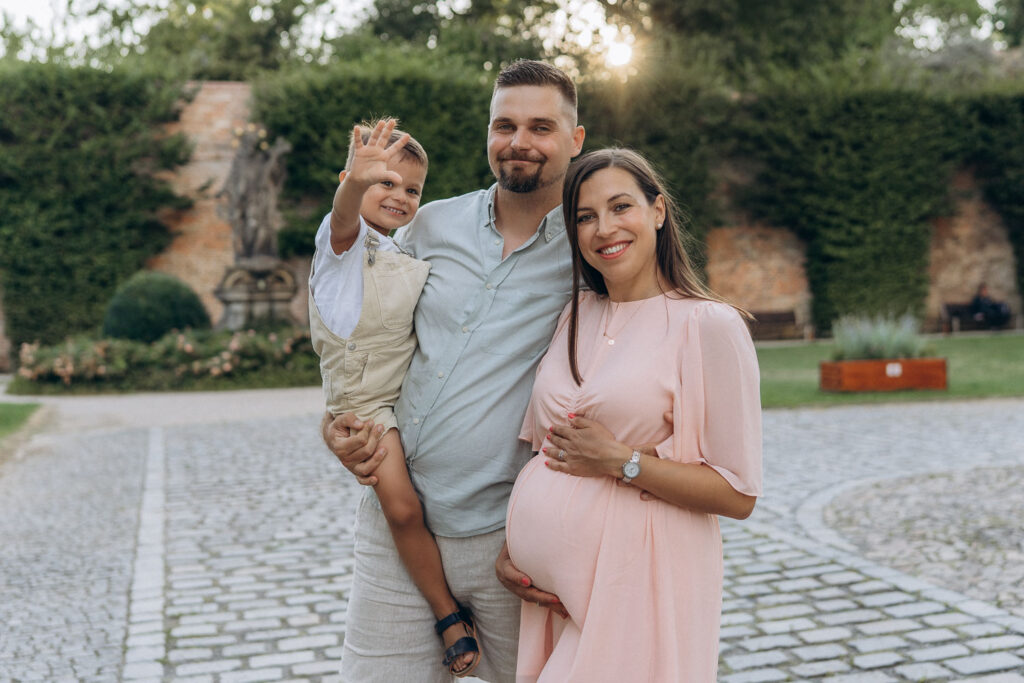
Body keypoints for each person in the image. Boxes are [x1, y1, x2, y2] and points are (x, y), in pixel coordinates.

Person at [321, 59, 585, 682]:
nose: (519, 141)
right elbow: (364, 320)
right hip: (394, 531)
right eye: (504, 125)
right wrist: (337, 420)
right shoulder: (429, 223)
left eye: (541, 127)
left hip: (512, 541)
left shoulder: (591, 248)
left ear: (576, 140)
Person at [505, 148, 763, 681]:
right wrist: (515, 551)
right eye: (585, 216)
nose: (604, 228)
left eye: (621, 207)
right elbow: (540, 454)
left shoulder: (709, 326)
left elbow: (738, 494)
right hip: (549, 600)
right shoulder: (572, 316)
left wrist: (623, 461)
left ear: (658, 211)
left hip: (640, 583)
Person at [309, 119, 482, 676]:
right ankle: (445, 612)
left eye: (412, 190)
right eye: (385, 184)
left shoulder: (401, 249)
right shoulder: (341, 248)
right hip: (365, 410)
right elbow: (341, 221)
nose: (401, 197)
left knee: (414, 504)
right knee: (403, 511)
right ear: (353, 183)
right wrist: (353, 188)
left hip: (398, 399)